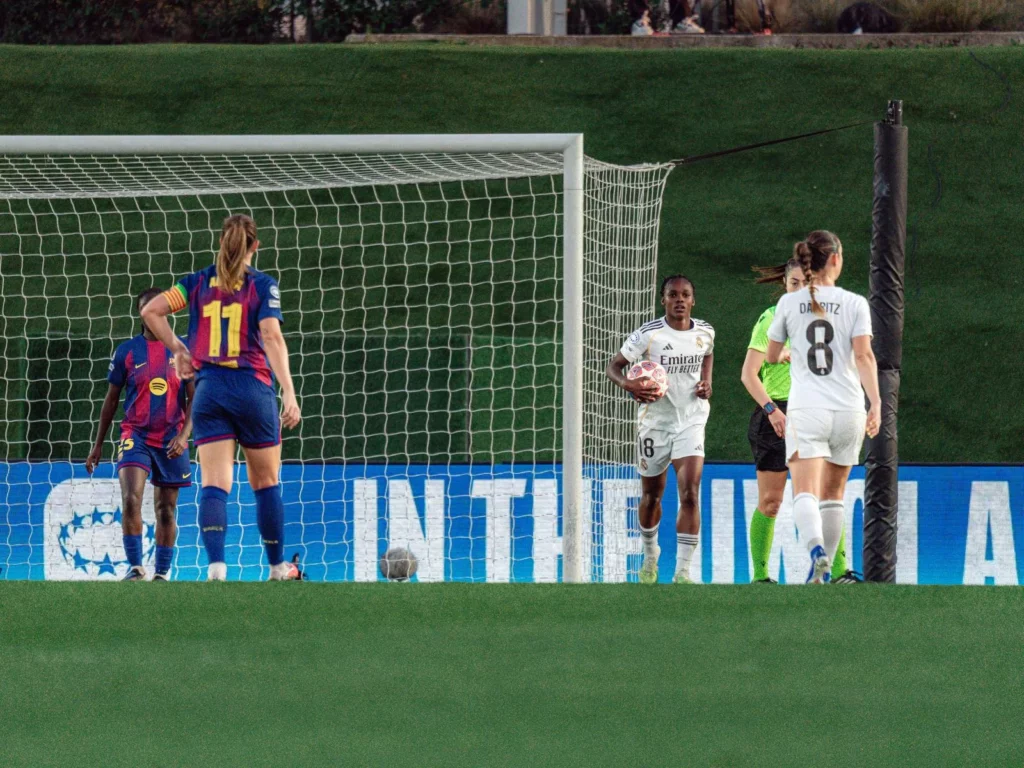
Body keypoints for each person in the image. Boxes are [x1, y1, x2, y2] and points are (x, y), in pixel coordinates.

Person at [141, 213, 301, 582]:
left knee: (215, 483)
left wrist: (179, 349)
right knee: (266, 482)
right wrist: (289, 391)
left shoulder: (195, 283)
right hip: (252, 390)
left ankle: (216, 568)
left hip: (209, 391)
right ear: (255, 246)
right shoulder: (262, 285)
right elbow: (272, 337)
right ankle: (277, 567)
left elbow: (151, 311)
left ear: (221, 242)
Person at [765, 231, 880, 583]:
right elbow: (863, 356)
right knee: (834, 495)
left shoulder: (789, 303)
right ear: (835, 260)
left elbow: (770, 356)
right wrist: (875, 403)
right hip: (849, 409)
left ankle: (816, 551)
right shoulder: (856, 302)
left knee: (805, 492)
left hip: (807, 409)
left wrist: (786, 353)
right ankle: (821, 575)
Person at [741, 259, 856, 583]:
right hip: (776, 413)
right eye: (793, 284)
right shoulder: (772, 319)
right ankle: (761, 576)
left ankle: (839, 572)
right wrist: (771, 411)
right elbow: (748, 374)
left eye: (804, 284)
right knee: (772, 500)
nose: (799, 290)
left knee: (827, 494)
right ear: (786, 286)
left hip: (816, 411)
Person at [605, 275, 714, 584]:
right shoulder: (648, 336)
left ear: (693, 300)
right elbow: (613, 367)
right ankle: (651, 555)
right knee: (652, 496)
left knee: (690, 492)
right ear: (663, 300)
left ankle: (682, 572)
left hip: (691, 419)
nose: (680, 299)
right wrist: (628, 383)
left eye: (686, 294)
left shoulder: (705, 332)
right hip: (655, 424)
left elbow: (708, 354)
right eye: (673, 294)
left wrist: (707, 382)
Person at [86, 288, 193, 581]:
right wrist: (97, 445)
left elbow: (196, 398)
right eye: (150, 310)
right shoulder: (127, 351)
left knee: (166, 510)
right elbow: (111, 400)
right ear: (143, 316)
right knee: (131, 498)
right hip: (136, 435)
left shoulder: (182, 351)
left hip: (172, 439)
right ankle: (135, 568)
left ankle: (161, 573)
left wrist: (184, 436)